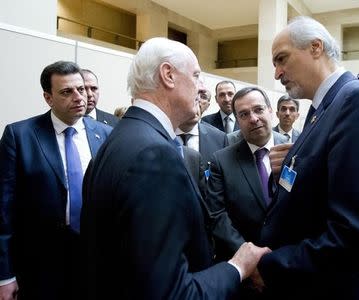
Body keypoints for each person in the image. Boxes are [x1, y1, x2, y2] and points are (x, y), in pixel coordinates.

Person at [81, 37, 270, 300]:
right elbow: (172, 292)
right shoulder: (154, 154)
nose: (203, 88)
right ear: (168, 75)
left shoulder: (121, 138)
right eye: (196, 75)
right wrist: (238, 266)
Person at [258, 16, 359, 299]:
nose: (277, 73)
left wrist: (272, 266)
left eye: (281, 59)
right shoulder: (321, 109)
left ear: (315, 48)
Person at [0, 61, 112, 300]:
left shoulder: (106, 135)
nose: (79, 97)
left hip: (95, 261)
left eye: (81, 89)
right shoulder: (20, 136)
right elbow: (4, 210)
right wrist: (5, 275)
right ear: (48, 98)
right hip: (39, 266)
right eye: (66, 92)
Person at [206, 87, 288, 299]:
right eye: (243, 114)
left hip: (292, 267)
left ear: (270, 111)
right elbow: (218, 216)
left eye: (258, 109)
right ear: (237, 120)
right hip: (246, 279)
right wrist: (251, 262)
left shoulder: (296, 150)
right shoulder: (221, 161)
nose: (253, 119)